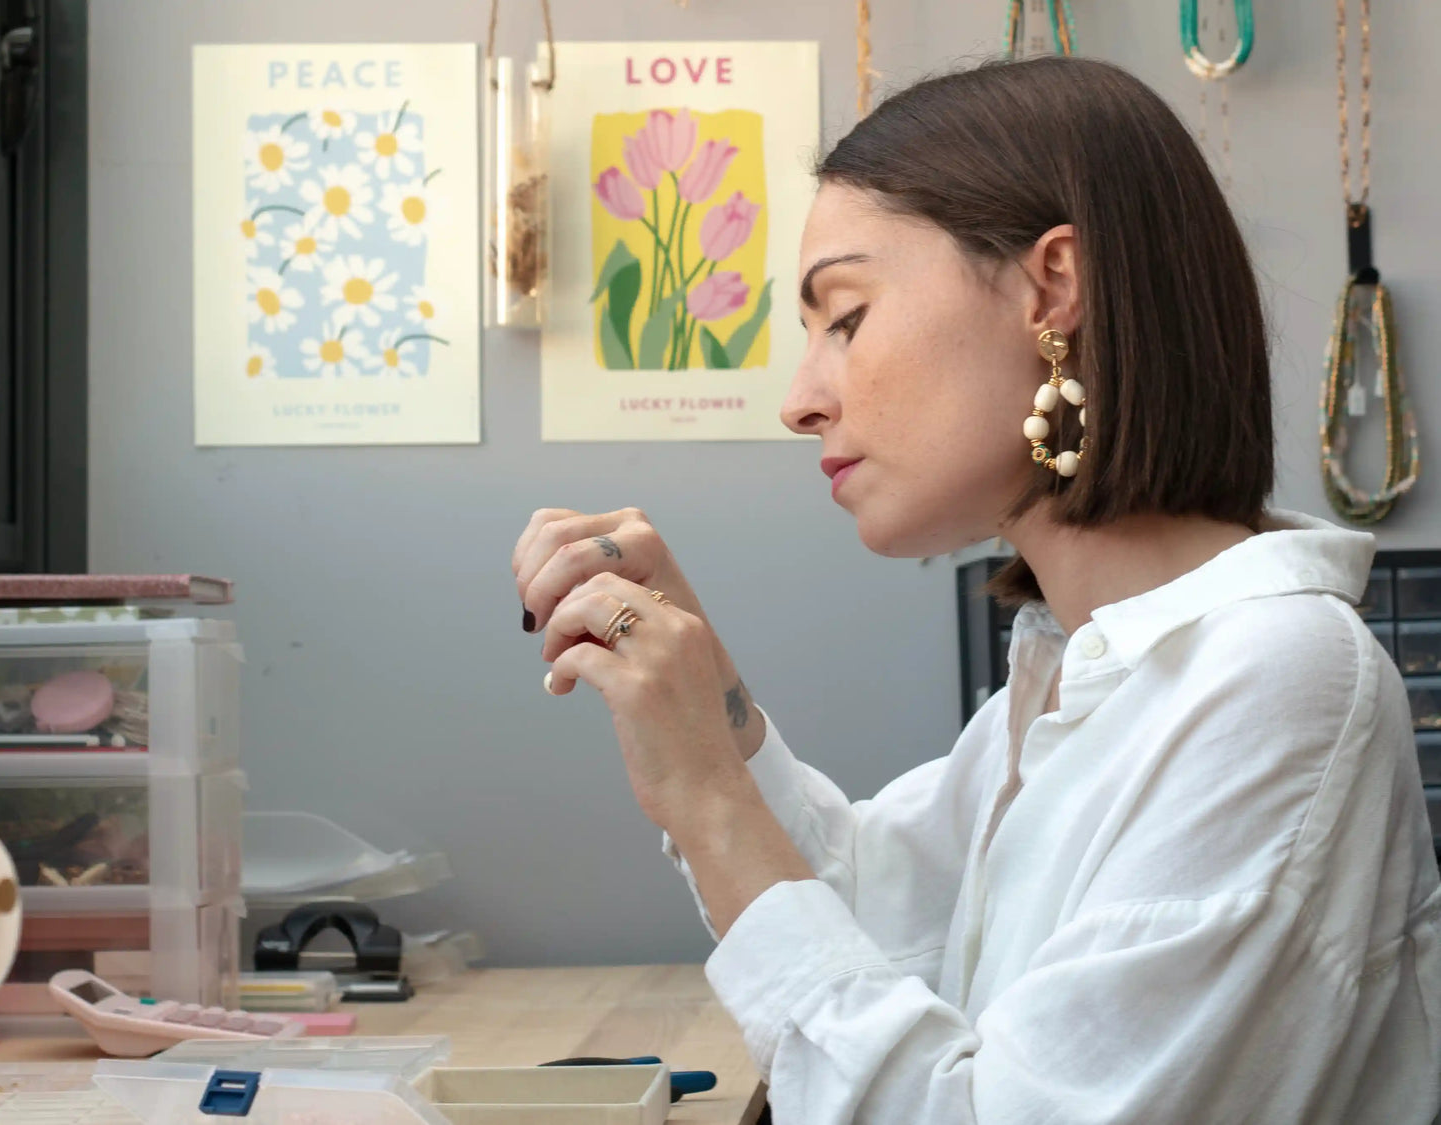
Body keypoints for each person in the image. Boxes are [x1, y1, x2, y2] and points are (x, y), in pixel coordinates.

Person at [510, 56, 1441, 1122]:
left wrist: (708, 800)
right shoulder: (1067, 682)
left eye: (845, 318)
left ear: (1051, 287)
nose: (801, 401)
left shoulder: (1276, 684)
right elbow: (867, 917)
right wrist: (704, 708)